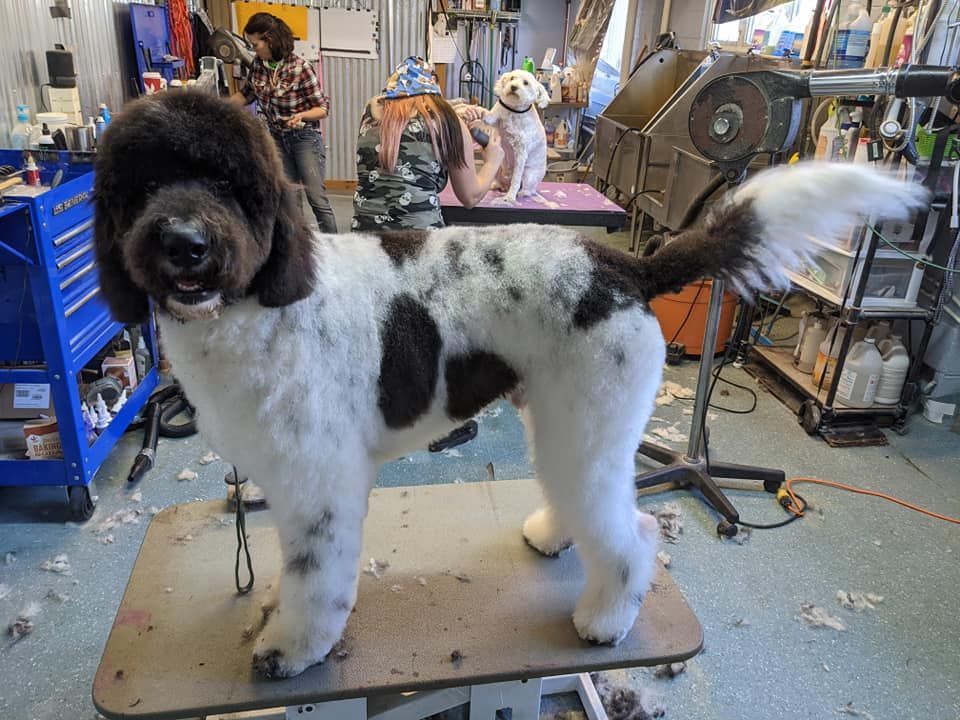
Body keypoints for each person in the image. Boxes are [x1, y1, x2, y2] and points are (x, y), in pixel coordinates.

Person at [353, 57, 505, 451]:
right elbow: (470, 195)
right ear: (433, 92)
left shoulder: (372, 112)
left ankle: (379, 413)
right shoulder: (443, 120)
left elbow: (407, 141)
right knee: (435, 329)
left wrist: (452, 118)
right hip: (419, 247)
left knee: (383, 325)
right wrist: (493, 160)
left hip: (364, 245)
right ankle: (439, 425)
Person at [352, 56, 504, 231]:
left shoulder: (370, 108)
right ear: (434, 86)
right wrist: (492, 161)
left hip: (364, 238)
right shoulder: (447, 119)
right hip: (420, 241)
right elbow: (470, 197)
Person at [231, 12, 337, 233]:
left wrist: (302, 116)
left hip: (304, 139)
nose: (254, 49)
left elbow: (322, 109)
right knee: (290, 200)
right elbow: (246, 95)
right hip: (277, 139)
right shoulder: (258, 66)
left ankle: (336, 249)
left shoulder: (300, 67)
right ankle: (299, 251)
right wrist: (218, 106)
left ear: (270, 39)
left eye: (255, 43)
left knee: (316, 198)